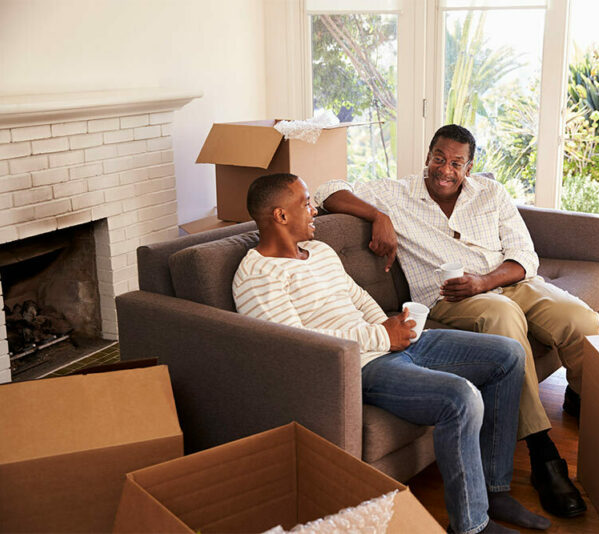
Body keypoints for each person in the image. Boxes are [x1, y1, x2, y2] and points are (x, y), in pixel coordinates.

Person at [233, 173, 551, 534]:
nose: (313, 211)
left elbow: (358, 298)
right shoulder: (257, 274)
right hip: (358, 365)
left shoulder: (319, 252)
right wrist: (382, 336)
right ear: (280, 216)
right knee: (461, 399)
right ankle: (472, 526)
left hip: (388, 343)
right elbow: (297, 344)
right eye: (305, 203)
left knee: (508, 355)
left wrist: (396, 327)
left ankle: (495, 491)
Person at [315, 124, 598, 518]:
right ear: (427, 156)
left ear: (469, 167)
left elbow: (524, 255)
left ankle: (582, 397)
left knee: (580, 319)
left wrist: (485, 280)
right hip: (450, 300)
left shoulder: (491, 193)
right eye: (439, 159)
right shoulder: (395, 194)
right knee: (503, 317)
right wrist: (378, 215)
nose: (445, 170)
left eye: (456, 163)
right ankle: (542, 453)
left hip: (506, 281)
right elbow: (325, 189)